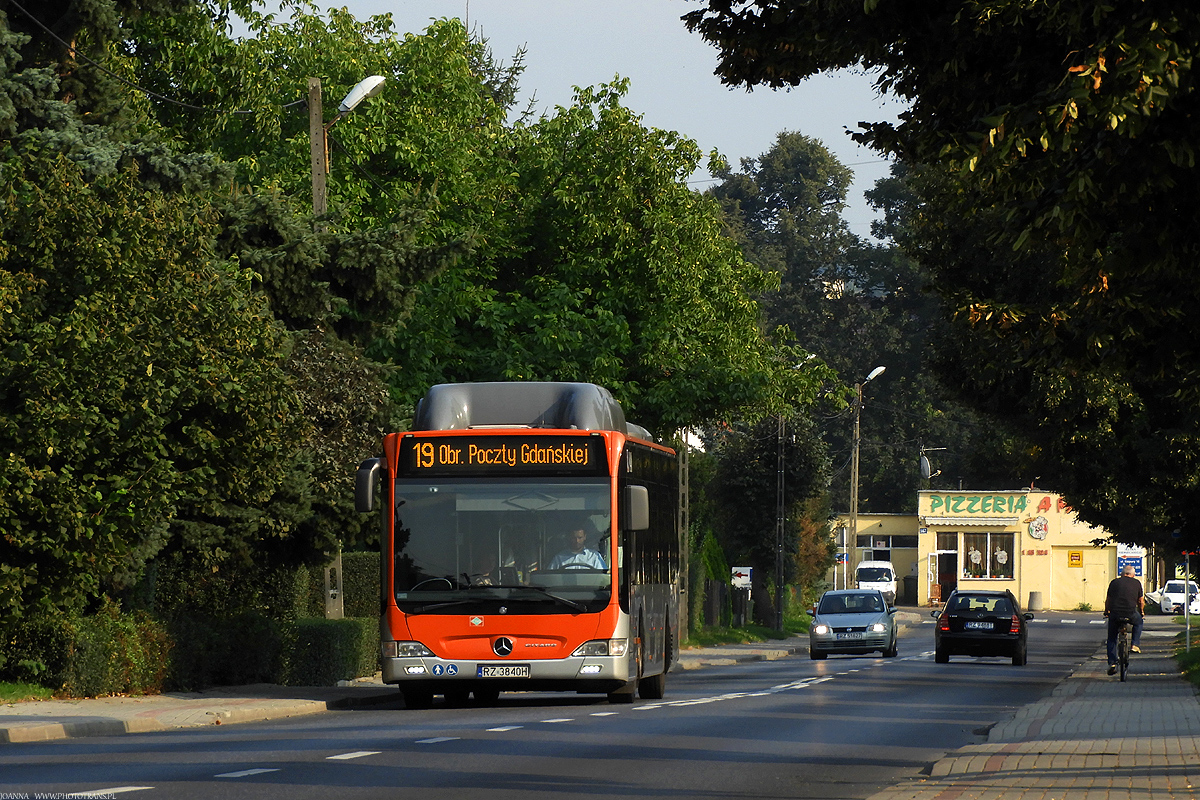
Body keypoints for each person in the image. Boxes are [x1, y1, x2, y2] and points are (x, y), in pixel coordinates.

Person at [1104, 564, 1145, 675]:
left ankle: (1112, 663)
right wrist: (1141, 612)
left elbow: (1108, 600)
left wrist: (1106, 611)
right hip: (1131, 613)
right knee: (1139, 622)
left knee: (1112, 638)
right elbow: (1141, 601)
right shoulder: (1137, 583)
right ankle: (1135, 644)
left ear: (1122, 574)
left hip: (1115, 614)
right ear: (1133, 574)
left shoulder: (1114, 582)